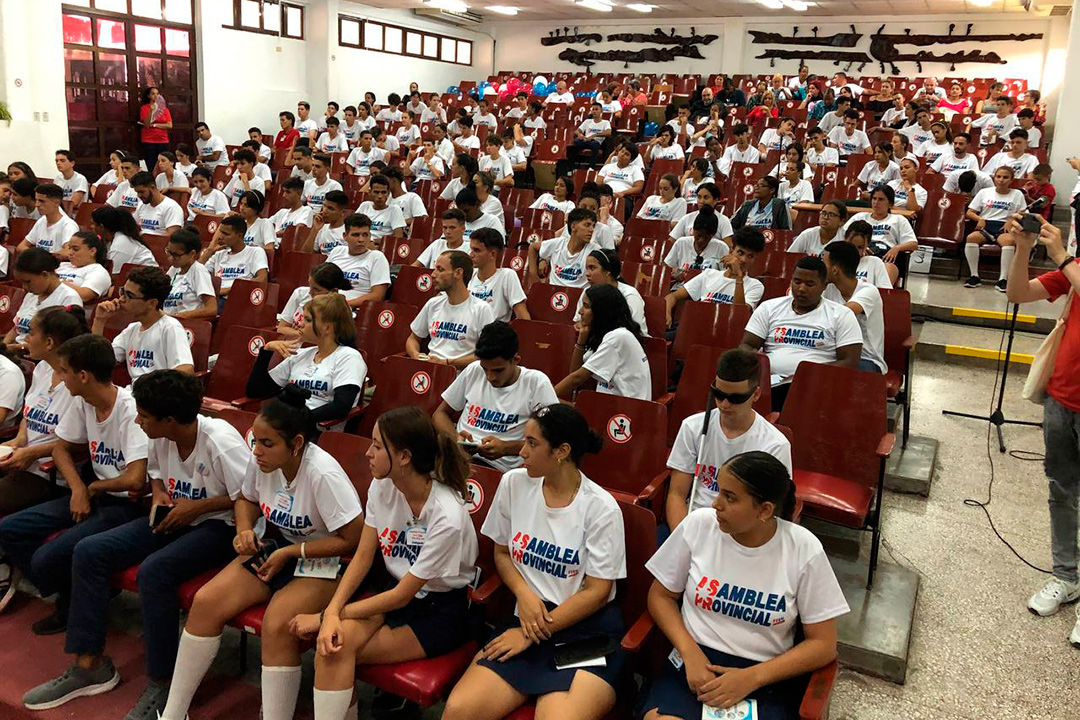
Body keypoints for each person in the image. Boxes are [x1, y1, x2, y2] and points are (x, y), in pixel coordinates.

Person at [19, 370, 248, 717]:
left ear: (169, 419)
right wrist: (159, 497)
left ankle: (165, 683)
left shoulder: (220, 440)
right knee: (89, 551)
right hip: (172, 517)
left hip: (218, 527)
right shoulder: (158, 434)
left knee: (154, 573)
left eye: (143, 415)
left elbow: (250, 496)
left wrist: (198, 507)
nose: (137, 420)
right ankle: (89, 663)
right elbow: (155, 476)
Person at [158, 385, 364, 720]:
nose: (257, 451)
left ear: (296, 444)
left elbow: (354, 540)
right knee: (207, 602)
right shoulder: (263, 461)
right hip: (279, 546)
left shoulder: (323, 473)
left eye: (267, 444)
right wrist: (243, 529)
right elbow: (247, 499)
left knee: (278, 622)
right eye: (256, 441)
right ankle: (173, 713)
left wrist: (293, 552)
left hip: (326, 558)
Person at [292, 406, 477, 720]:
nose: (368, 453)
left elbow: (403, 595)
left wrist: (327, 616)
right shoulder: (383, 484)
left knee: (335, 652)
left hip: (440, 610)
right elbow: (364, 557)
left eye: (377, 446)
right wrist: (334, 612)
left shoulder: (447, 515)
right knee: (334, 649)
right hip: (393, 593)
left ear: (404, 457)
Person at [443, 404, 624, 720]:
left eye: (532, 443)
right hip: (527, 616)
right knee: (459, 711)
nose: (521, 451)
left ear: (562, 451)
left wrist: (530, 634)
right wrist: (525, 595)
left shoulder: (602, 509)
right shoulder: (514, 483)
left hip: (583, 632)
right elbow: (501, 553)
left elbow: (597, 591)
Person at [642, 451, 848, 720]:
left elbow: (823, 645)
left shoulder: (802, 548)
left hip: (765, 675)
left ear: (764, 510)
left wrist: (753, 678)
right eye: (718, 491)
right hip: (694, 664)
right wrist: (689, 651)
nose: (716, 504)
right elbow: (660, 596)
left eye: (730, 497)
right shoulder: (699, 524)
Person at [0, 334, 149, 641]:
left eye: (65, 371)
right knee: (11, 529)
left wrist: (92, 489)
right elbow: (60, 449)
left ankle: (73, 602)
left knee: (49, 557)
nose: (61, 377)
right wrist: (79, 489)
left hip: (126, 505)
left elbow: (135, 479)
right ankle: (74, 591)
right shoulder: (84, 401)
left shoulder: (129, 410)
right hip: (92, 491)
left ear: (83, 375)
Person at [1005, 217, 1080, 649]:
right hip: (1063, 397)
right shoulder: (1072, 266)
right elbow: (1019, 294)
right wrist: (1022, 248)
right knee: (1062, 490)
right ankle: (1066, 576)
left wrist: (1062, 256)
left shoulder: (1071, 263)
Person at [664, 351, 792, 530]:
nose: (724, 404)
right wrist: (683, 539)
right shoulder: (693, 426)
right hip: (694, 525)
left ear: (755, 395)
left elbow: (770, 514)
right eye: (718, 394)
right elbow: (677, 494)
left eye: (735, 398)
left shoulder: (774, 445)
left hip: (741, 531)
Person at [0, 307, 85, 532]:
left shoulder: (79, 382)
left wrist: (31, 453)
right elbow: (29, 414)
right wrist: (18, 440)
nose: (25, 339)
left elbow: (79, 442)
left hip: (48, 474)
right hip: (20, 459)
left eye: (31, 333)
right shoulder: (42, 370)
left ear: (49, 343)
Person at [740, 257, 862, 410]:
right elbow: (746, 345)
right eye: (797, 282)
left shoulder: (841, 315)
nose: (801, 288)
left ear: (824, 285)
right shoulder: (769, 308)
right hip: (770, 384)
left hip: (817, 387)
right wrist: (762, 370)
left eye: (810, 284)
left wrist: (807, 376)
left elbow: (850, 361)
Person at [434, 321, 558, 472]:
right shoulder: (473, 370)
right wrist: (456, 439)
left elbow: (552, 439)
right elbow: (439, 414)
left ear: (515, 360)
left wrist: (507, 448)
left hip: (501, 468)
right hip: (459, 460)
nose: (490, 377)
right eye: (485, 369)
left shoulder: (536, 383)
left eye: (498, 370)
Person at [247, 293, 366, 429]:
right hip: (287, 426)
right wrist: (266, 351)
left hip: (317, 432)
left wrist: (297, 421)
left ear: (327, 327)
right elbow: (255, 391)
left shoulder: (349, 357)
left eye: (308, 320)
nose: (300, 324)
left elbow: (341, 406)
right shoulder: (301, 354)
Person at [94, 266, 195, 380]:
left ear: (152, 303)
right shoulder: (132, 329)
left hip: (155, 394)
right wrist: (99, 320)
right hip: (132, 393)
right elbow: (98, 362)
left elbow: (186, 369)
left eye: (129, 296)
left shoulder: (170, 327)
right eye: (122, 292)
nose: (121, 299)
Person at [556, 284, 651, 400]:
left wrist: (545, 395)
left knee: (546, 406)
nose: (580, 311)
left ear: (601, 311)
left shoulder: (618, 337)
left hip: (626, 411)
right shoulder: (607, 335)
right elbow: (574, 372)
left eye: (586, 306)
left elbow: (577, 378)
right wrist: (581, 340)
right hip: (608, 406)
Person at [407, 250, 496, 370]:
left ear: (458, 273)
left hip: (462, 377)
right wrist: (415, 355)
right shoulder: (433, 304)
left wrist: (448, 363)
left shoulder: (482, 309)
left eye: (440, 269)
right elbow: (413, 339)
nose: (433, 274)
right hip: (429, 372)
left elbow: (488, 355)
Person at [666, 228, 768, 324]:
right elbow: (672, 296)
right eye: (740, 253)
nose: (744, 260)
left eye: (750, 256)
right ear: (731, 251)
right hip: (698, 328)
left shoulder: (755, 286)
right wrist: (667, 312)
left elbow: (739, 315)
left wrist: (739, 277)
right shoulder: (709, 275)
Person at [822, 241, 886, 374]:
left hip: (866, 359)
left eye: (823, 263)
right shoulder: (828, 288)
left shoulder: (869, 291)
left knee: (823, 373)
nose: (820, 269)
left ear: (835, 270)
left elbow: (845, 314)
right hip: (833, 354)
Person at [4, 249, 84, 349]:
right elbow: (16, 329)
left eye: (28, 282)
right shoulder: (31, 295)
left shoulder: (69, 298)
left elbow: (61, 343)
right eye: (22, 283)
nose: (24, 287)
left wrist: (18, 347)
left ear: (45, 275)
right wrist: (3, 347)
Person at [962, 166, 1026, 291]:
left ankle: (1003, 279)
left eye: (1005, 177)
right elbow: (970, 212)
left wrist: (1012, 220)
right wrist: (979, 219)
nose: (1001, 180)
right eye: (999, 177)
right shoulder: (984, 192)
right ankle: (974, 276)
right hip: (986, 224)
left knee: (1009, 241)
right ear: (994, 178)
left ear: (1011, 180)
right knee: (971, 238)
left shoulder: (1017, 194)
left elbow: (1023, 214)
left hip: (1004, 226)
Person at [845, 186, 917, 286]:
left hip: (886, 257)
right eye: (874, 198)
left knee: (889, 268)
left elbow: (913, 244)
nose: (876, 202)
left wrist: (896, 248)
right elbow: (843, 236)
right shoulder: (860, 217)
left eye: (881, 199)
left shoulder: (899, 220)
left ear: (890, 203)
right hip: (860, 254)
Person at [325, 214, 390, 308]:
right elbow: (321, 280)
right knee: (300, 292)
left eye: (365, 235)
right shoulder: (337, 251)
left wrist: (345, 304)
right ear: (345, 236)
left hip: (355, 306)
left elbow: (377, 296)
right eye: (355, 235)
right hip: (329, 299)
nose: (361, 240)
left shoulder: (377, 257)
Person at [199, 215, 269, 303]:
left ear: (239, 236)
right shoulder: (219, 254)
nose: (220, 237)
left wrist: (230, 289)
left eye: (225, 234)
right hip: (214, 298)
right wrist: (209, 250)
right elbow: (195, 272)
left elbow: (262, 279)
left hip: (238, 299)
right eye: (220, 232)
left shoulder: (255, 252)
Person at [467, 227, 529, 323]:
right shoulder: (468, 274)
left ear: (492, 254)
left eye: (477, 250)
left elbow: (523, 318)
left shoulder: (507, 275)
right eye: (471, 249)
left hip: (493, 332)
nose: (471, 254)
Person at [276, 262, 354, 337]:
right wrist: (303, 335)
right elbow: (282, 328)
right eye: (310, 285)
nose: (310, 292)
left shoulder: (342, 308)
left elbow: (331, 341)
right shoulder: (300, 293)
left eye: (316, 289)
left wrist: (307, 337)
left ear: (334, 292)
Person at [529, 207, 601, 288]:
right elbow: (533, 247)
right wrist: (533, 275)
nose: (592, 230)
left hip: (578, 297)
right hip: (552, 293)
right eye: (587, 225)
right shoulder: (558, 243)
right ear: (573, 227)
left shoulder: (595, 250)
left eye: (593, 226)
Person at [664, 204, 731, 280]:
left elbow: (726, 277)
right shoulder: (681, 243)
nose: (701, 240)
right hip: (680, 287)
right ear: (693, 230)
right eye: (699, 236)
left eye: (706, 238)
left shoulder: (721, 247)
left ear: (713, 235)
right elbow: (665, 270)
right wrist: (675, 275)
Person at [163, 227, 216, 320]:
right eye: (169, 252)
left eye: (176, 255)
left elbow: (212, 309)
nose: (170, 258)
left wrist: (182, 316)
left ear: (192, 254)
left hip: (186, 324)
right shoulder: (173, 270)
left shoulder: (199, 271)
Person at [90, 204, 156, 270]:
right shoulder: (109, 241)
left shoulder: (120, 244)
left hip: (149, 277)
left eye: (93, 224)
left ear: (102, 227)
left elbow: (115, 276)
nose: (91, 227)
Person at [20, 183, 78, 254]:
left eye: (42, 201)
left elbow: (68, 251)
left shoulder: (68, 225)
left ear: (56, 203)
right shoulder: (41, 221)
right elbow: (21, 246)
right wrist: (35, 256)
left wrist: (44, 258)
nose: (37, 205)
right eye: (36, 200)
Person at [669, 183, 733, 244]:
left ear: (715, 200)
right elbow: (671, 241)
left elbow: (728, 247)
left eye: (706, 198)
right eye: (699, 197)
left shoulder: (724, 220)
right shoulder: (687, 218)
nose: (701, 201)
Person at [56, 231, 110, 303]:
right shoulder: (63, 265)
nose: (70, 253)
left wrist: (56, 282)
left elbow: (84, 296)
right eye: (69, 248)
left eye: (75, 249)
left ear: (92, 251)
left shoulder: (98, 271)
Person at [356, 175, 406, 244]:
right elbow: (353, 227)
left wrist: (373, 241)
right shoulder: (365, 206)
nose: (380, 196)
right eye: (376, 192)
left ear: (388, 193)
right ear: (370, 192)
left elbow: (398, 237)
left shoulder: (394, 210)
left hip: (381, 246)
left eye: (383, 192)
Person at [845, 220, 893, 289]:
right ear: (845, 239)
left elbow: (885, 292)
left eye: (860, 247)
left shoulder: (875, 262)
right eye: (851, 245)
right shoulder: (835, 261)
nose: (854, 251)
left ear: (867, 244)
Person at [301, 189, 349, 254]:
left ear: (343, 212)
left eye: (330, 208)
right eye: (324, 206)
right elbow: (305, 255)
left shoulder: (349, 231)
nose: (324, 211)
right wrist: (314, 230)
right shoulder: (321, 229)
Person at [139, 87, 173, 171]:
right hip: (149, 140)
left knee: (163, 163)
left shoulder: (165, 110)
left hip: (163, 140)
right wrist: (152, 110)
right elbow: (146, 124)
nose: (156, 96)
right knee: (151, 164)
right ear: (148, 96)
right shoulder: (144, 108)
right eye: (153, 94)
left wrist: (154, 125)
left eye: (157, 94)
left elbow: (169, 125)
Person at [572, 103, 612, 169]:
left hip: (596, 142)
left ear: (601, 111)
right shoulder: (587, 121)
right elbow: (577, 131)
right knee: (575, 142)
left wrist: (594, 135)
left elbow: (608, 132)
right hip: (586, 140)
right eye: (593, 109)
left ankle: (591, 167)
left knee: (595, 144)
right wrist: (580, 134)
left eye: (596, 109)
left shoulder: (605, 122)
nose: (594, 111)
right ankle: (572, 166)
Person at [53, 149, 89, 214]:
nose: (58, 163)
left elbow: (73, 203)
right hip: (60, 212)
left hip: (75, 214)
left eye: (62, 160)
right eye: (56, 161)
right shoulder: (57, 179)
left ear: (72, 163)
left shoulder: (80, 179)